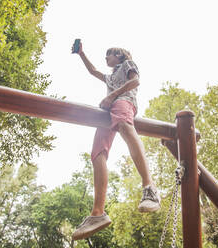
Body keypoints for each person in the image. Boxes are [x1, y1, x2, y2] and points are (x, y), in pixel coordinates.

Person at [71, 41, 161, 240]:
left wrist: (112, 95)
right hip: (109, 108)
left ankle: (149, 187)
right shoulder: (110, 76)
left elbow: (135, 82)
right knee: (97, 153)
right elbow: (93, 71)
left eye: (109, 55)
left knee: (124, 125)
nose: (106, 58)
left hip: (123, 101)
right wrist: (81, 54)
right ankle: (98, 213)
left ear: (119, 56)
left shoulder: (127, 65)